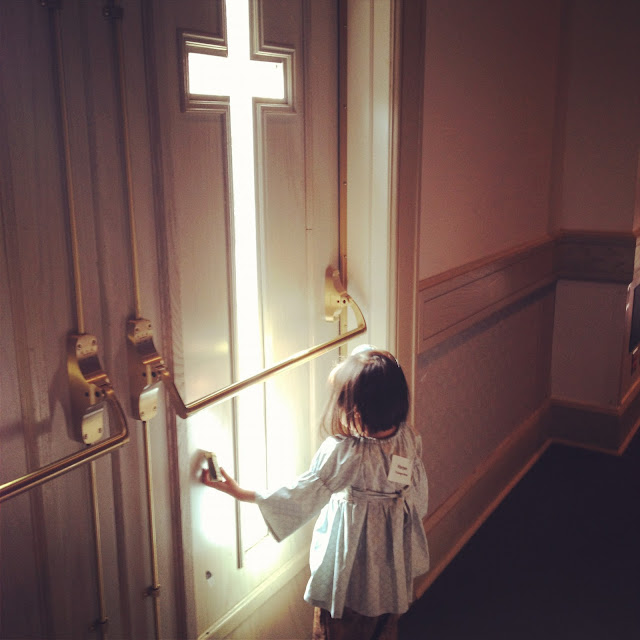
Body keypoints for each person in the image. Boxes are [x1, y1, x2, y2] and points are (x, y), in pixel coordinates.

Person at [201, 346, 430, 640]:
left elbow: (302, 495)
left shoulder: (346, 453)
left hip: (352, 572)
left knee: (339, 628)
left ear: (356, 410)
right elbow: (418, 499)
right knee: (383, 626)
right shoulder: (408, 438)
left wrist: (244, 493)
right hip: (392, 565)